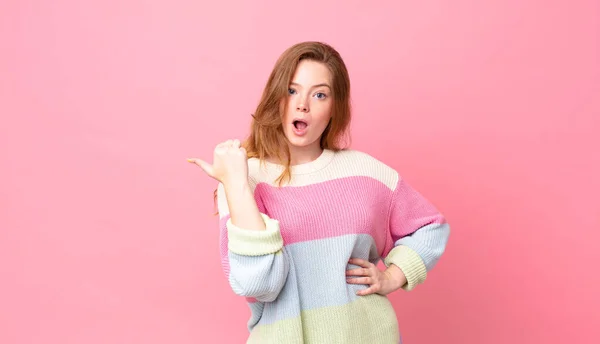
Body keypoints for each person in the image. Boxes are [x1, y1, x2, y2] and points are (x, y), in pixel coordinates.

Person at [188, 41, 450, 344]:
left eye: (319, 94)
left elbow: (430, 227)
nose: (302, 104)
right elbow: (259, 285)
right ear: (277, 98)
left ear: (334, 108)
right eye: (292, 90)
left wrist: (393, 275)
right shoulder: (245, 179)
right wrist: (234, 184)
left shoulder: (367, 172)